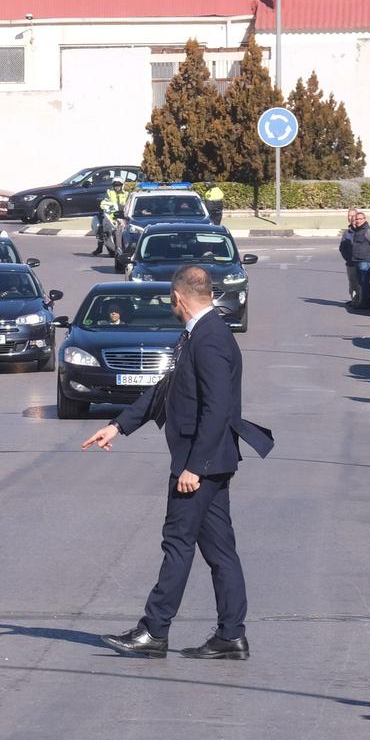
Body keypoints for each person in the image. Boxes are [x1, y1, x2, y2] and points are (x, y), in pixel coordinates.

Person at [82, 263, 274, 659]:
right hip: (207, 461)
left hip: (199, 463)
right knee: (220, 551)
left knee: (177, 543)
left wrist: (195, 467)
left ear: (178, 298)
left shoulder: (210, 339)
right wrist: (118, 426)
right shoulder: (197, 335)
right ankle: (231, 635)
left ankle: (155, 630)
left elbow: (218, 409)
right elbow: (165, 391)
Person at [338, 209, 370, 309]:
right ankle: (361, 302)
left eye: (360, 219)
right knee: (360, 282)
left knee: (364, 282)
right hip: (357, 260)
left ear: (365, 219)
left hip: (365, 260)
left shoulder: (368, 231)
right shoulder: (357, 230)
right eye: (356, 219)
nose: (358, 220)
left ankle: (365, 304)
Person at [96, 185, 124, 257]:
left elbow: (128, 202)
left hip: (123, 215)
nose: (117, 186)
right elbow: (104, 202)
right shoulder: (109, 192)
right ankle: (100, 247)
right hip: (110, 215)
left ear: (122, 185)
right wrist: (105, 206)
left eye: (119, 184)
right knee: (101, 229)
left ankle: (120, 249)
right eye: (115, 184)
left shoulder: (126, 193)